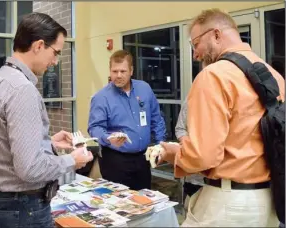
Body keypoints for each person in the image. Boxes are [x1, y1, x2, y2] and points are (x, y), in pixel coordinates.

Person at [159, 8, 285, 227]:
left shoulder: (213, 75)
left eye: (195, 44)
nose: (195, 55)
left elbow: (203, 156)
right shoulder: (274, 76)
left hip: (228, 202)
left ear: (216, 35)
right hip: (271, 201)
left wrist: (174, 154)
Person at [0, 12, 93, 228]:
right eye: (56, 53)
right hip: (24, 208)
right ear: (39, 45)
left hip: (1, 201)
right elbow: (29, 169)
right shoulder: (22, 90)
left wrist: (49, 143)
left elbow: (3, 144)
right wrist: (72, 160)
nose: (54, 62)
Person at [88, 50, 166, 190]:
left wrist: (160, 146)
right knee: (118, 205)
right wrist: (107, 138)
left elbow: (156, 119)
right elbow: (94, 128)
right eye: (114, 71)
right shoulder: (101, 97)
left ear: (131, 71)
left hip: (142, 159)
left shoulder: (144, 89)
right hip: (115, 160)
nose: (118, 75)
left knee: (143, 202)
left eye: (123, 71)